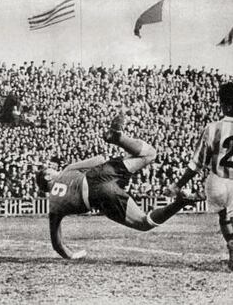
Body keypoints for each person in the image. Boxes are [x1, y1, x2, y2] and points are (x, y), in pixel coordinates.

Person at [36, 111, 200, 259]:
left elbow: (57, 243)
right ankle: (119, 138)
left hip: (98, 196)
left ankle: (181, 202)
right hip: (100, 174)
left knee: (144, 223)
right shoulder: (67, 170)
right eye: (49, 169)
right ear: (48, 176)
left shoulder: (53, 207)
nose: (53, 168)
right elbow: (99, 160)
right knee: (149, 154)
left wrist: (72, 255)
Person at [165, 82, 233, 270]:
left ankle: (231, 243)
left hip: (217, 181)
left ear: (224, 105)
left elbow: (196, 164)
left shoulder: (213, 128)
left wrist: (178, 185)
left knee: (224, 216)